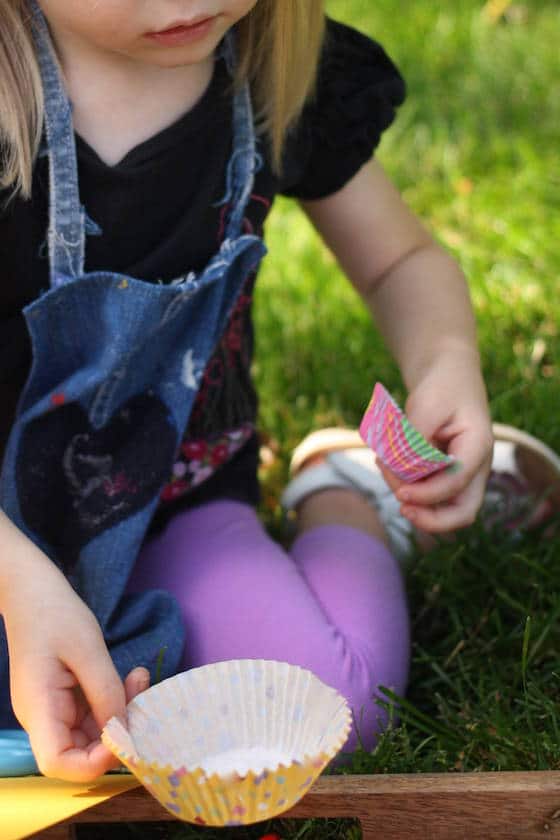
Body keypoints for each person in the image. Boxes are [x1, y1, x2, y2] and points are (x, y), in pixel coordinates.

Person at [1, 0, 557, 783]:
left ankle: (346, 494)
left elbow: (402, 261)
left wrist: (445, 364)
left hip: (171, 507)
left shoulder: (270, 70)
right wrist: (17, 579)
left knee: (328, 716)